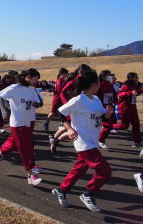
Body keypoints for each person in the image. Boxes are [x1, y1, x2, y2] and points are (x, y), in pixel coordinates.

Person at [52, 71, 114, 213]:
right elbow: (60, 112)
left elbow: (102, 118)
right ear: (94, 84)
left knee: (78, 170)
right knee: (105, 171)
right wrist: (69, 129)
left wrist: (108, 113)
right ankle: (88, 193)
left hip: (93, 142)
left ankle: (60, 190)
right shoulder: (78, 100)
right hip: (84, 143)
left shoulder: (96, 100)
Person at [0, 68, 43, 186]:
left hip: (27, 122)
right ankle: (31, 174)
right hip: (17, 123)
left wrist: (36, 103)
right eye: (35, 79)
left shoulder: (31, 90)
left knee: (14, 142)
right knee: (26, 146)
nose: (36, 82)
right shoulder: (14, 88)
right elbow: (0, 98)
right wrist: (5, 112)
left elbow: (39, 103)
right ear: (28, 77)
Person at [112, 72, 143, 148]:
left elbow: (135, 94)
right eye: (136, 77)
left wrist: (141, 90)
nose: (137, 79)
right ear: (131, 78)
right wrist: (130, 92)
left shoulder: (134, 86)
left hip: (133, 108)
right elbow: (120, 94)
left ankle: (136, 142)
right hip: (125, 108)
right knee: (124, 126)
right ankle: (108, 126)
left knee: (136, 125)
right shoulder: (126, 86)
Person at [43, 68, 68, 133]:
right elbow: (61, 91)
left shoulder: (63, 81)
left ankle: (62, 125)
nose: (66, 75)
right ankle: (46, 123)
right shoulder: (59, 81)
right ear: (61, 74)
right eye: (65, 73)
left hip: (62, 99)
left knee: (64, 112)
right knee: (53, 112)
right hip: (57, 99)